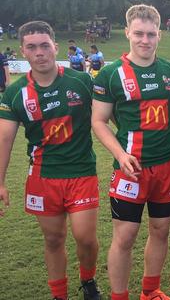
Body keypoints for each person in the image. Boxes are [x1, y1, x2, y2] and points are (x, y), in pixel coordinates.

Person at [0, 21, 102, 300]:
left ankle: (88, 279)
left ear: (55, 47)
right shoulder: (14, 94)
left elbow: (106, 118)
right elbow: (4, 139)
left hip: (81, 172)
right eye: (32, 47)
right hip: (43, 177)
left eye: (45, 46)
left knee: (85, 237)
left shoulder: (81, 81)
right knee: (54, 239)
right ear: (23, 52)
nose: (39, 52)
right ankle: (60, 295)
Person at [91, 4, 170, 300]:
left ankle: (150, 291)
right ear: (128, 32)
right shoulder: (110, 74)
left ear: (160, 35)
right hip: (131, 168)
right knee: (125, 236)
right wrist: (120, 154)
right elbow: (99, 121)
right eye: (139, 33)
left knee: (160, 231)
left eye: (151, 34)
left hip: (169, 167)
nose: (145, 40)